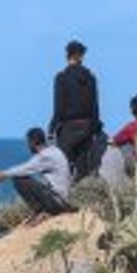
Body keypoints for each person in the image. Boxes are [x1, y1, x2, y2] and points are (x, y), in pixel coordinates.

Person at [0, 128, 74, 219]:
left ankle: (40, 212)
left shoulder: (45, 156)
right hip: (62, 200)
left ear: (33, 142)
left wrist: (2, 174)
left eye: (28, 143)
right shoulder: (54, 151)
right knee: (25, 177)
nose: (28, 146)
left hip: (57, 203)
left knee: (19, 180)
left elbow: (25, 168)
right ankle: (43, 211)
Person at [49, 40, 101, 181]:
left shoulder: (61, 78)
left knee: (63, 167)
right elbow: (95, 106)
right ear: (82, 56)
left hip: (69, 128)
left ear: (67, 55)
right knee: (83, 167)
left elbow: (58, 107)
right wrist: (96, 128)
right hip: (87, 126)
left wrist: (51, 128)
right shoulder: (91, 77)